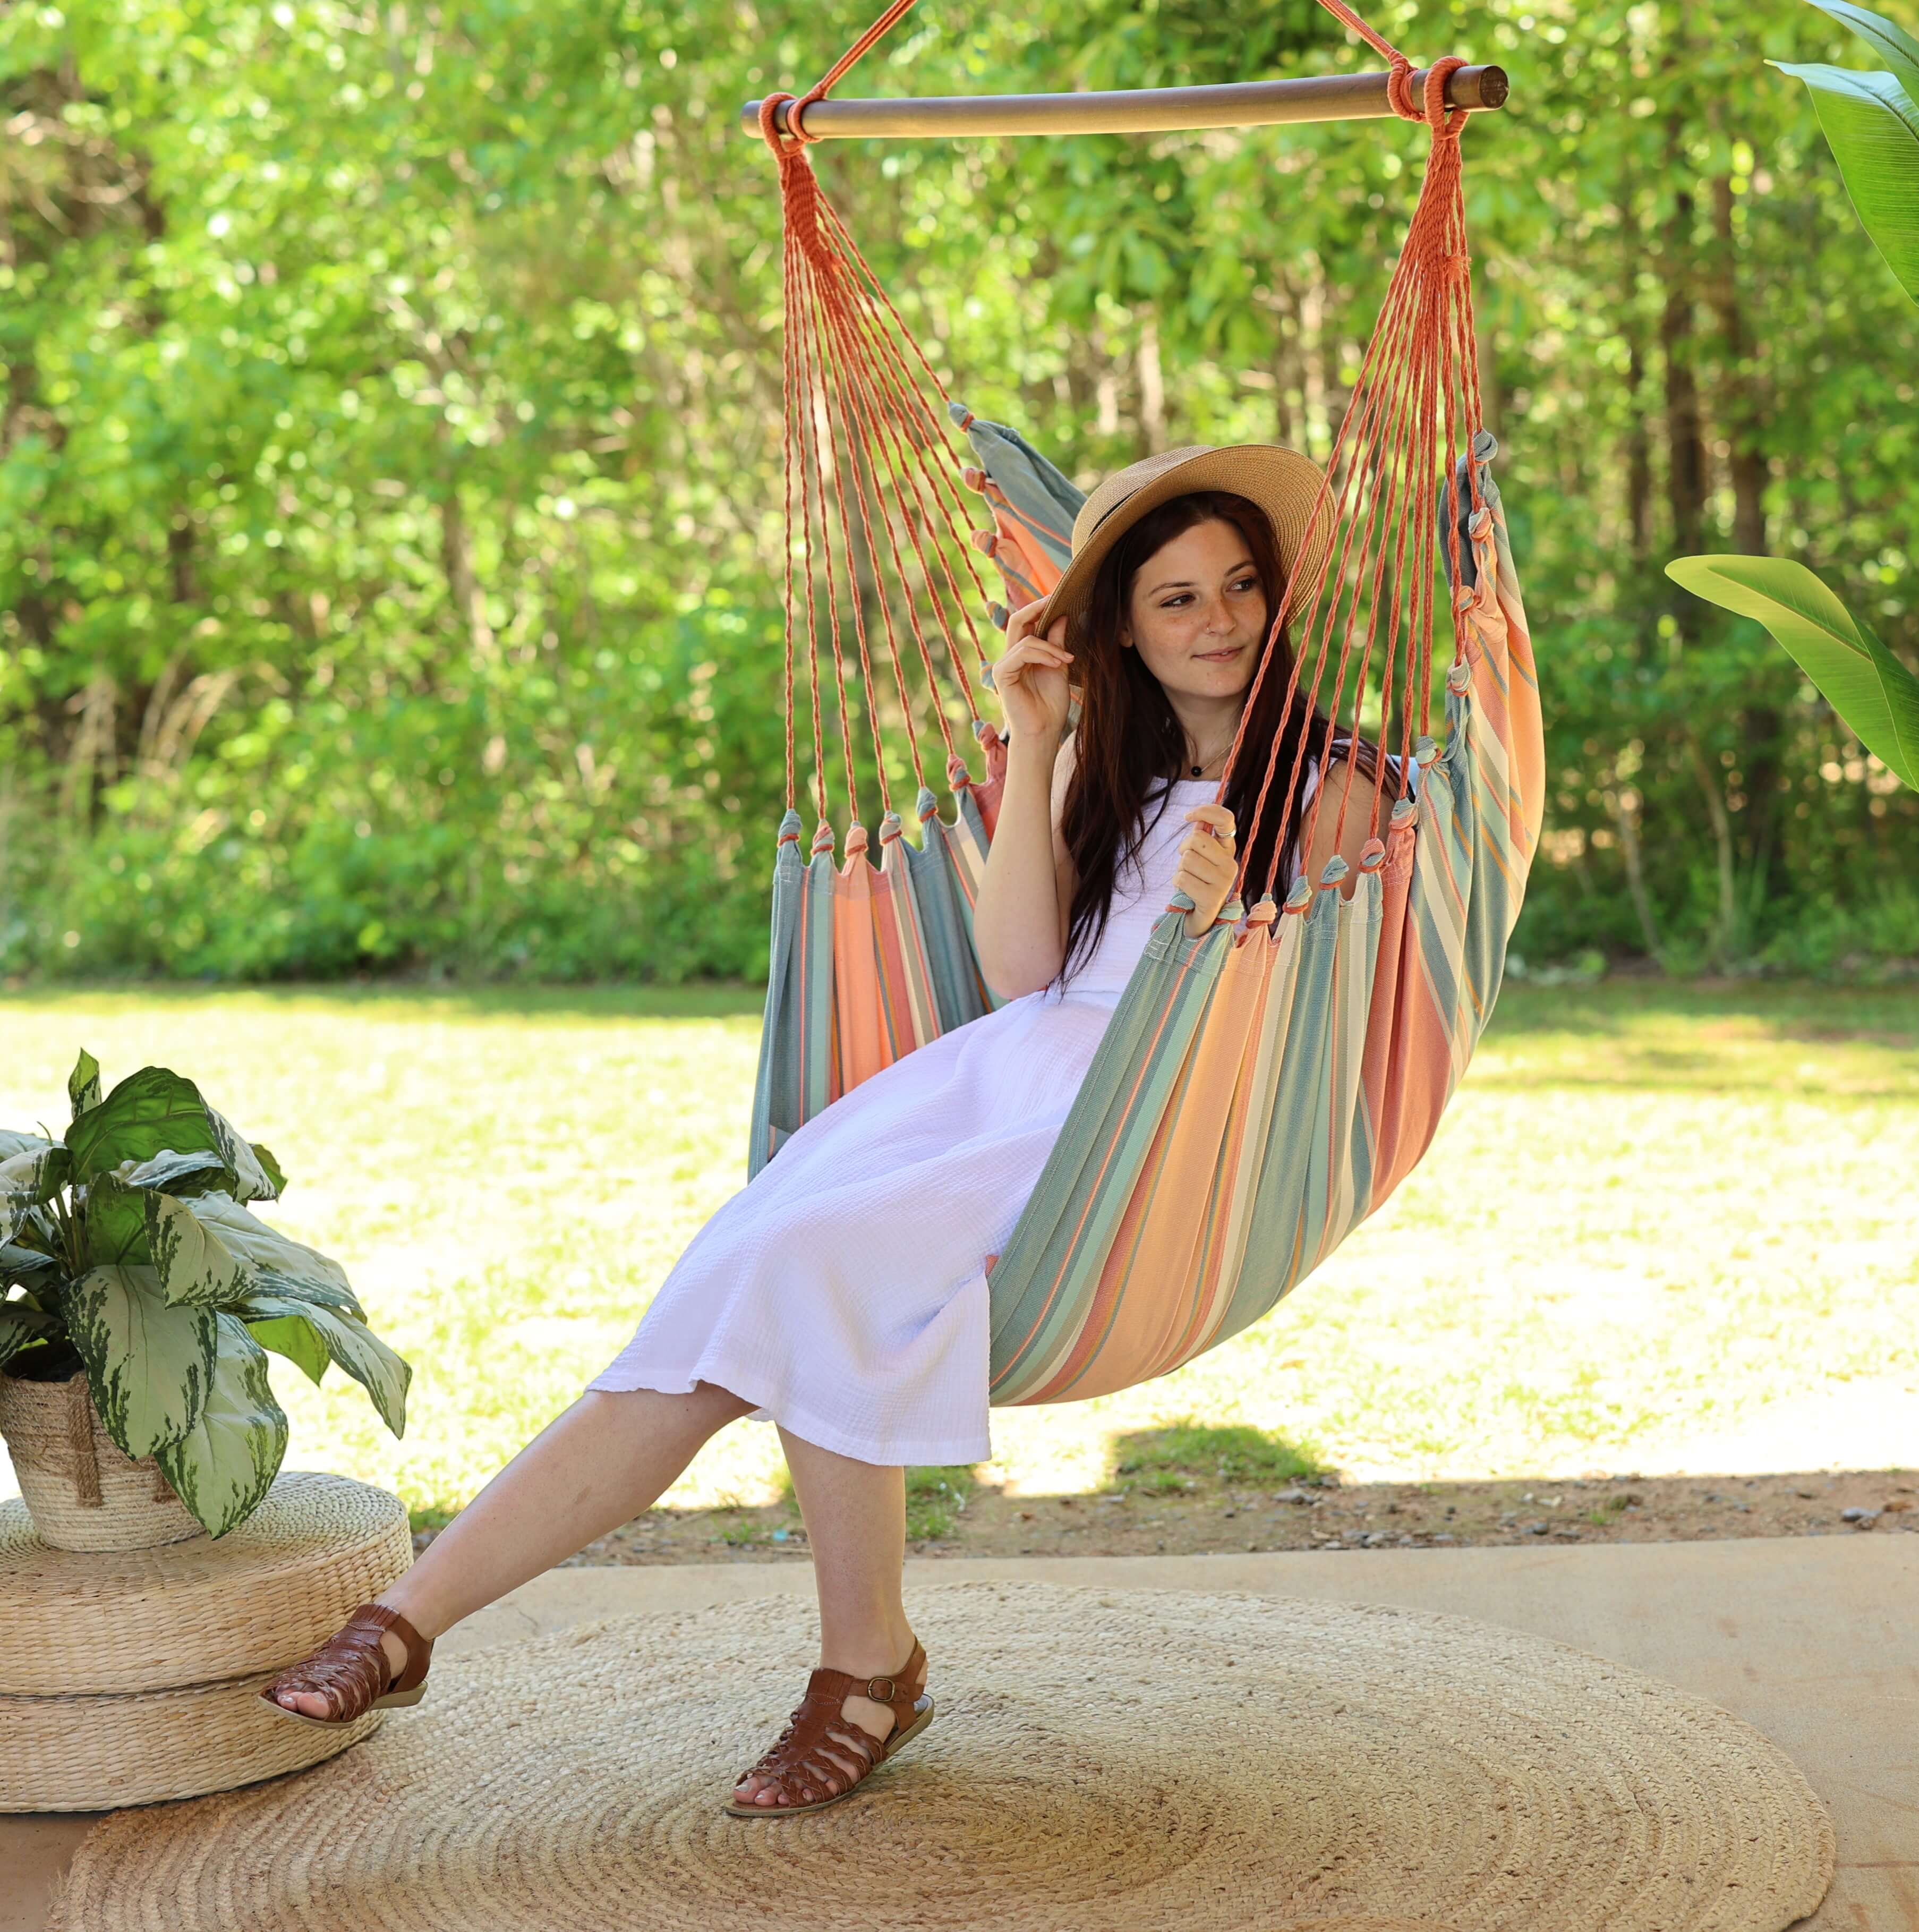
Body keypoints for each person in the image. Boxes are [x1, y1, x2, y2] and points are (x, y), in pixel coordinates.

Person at [258, 442, 1394, 1817]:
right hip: (1002, 1074)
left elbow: (1311, 1022)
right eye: (1175, 598)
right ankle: (412, 1625)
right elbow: (1027, 966)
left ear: (1279, 604)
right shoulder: (1111, 764)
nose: (1217, 621)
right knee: (744, 1278)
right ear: (1124, 629)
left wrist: (1220, 927)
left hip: (1139, 1117)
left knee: (811, 1263)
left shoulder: (1330, 786)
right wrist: (1038, 740)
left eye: (1239, 588)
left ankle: (856, 1664)